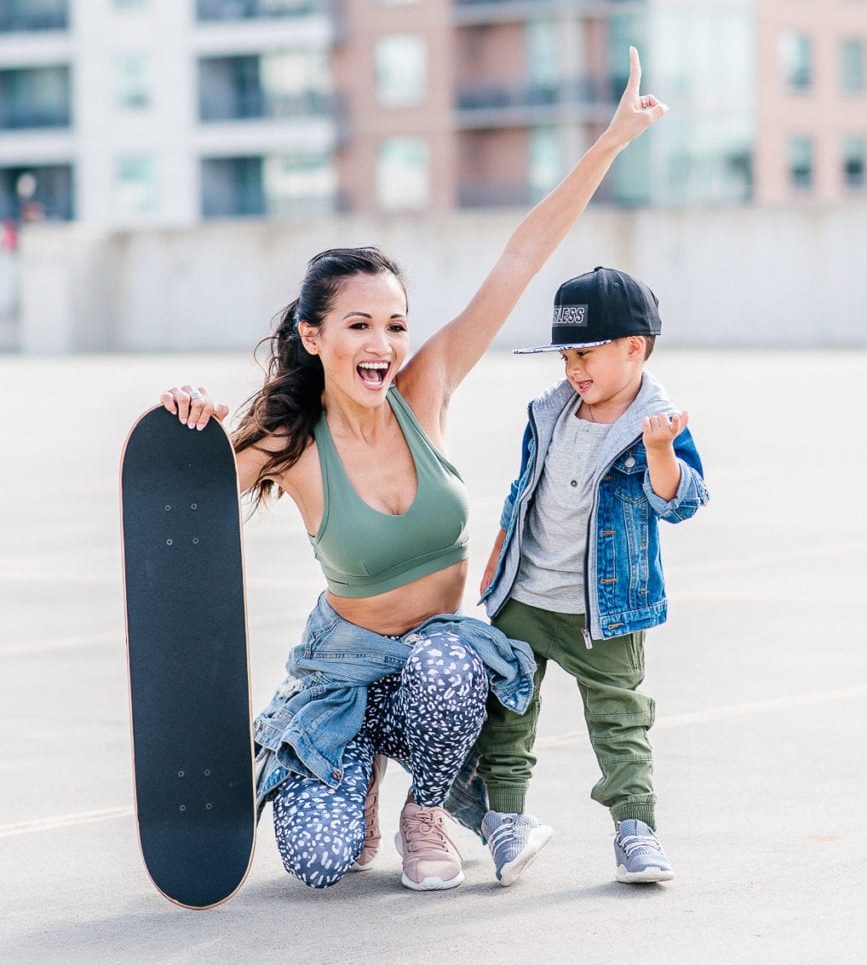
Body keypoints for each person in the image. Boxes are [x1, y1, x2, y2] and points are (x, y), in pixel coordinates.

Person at [161, 50, 667, 893]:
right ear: (314, 336)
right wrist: (187, 421)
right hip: (344, 672)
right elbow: (183, 498)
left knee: (452, 660)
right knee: (321, 864)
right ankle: (346, 776)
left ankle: (424, 809)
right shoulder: (289, 439)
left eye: (395, 324)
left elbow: (518, 260)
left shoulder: (424, 389)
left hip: (435, 669)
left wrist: (609, 144)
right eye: (359, 325)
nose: (384, 345)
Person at [471, 265, 709, 887]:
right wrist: (499, 555)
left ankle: (636, 832)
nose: (573, 369)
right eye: (565, 355)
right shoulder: (550, 412)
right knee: (509, 712)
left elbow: (679, 502)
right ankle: (506, 821)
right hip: (525, 596)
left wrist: (660, 452)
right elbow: (524, 492)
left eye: (586, 353)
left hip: (606, 610)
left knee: (619, 719)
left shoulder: (657, 424)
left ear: (634, 348)